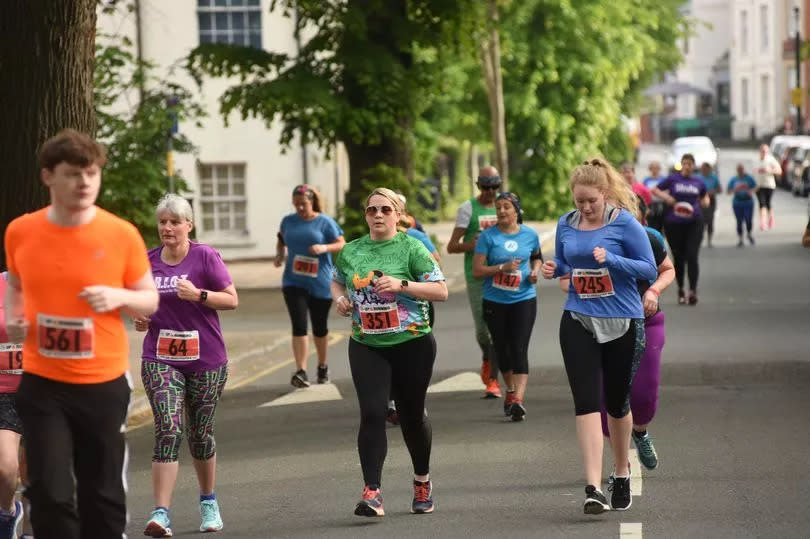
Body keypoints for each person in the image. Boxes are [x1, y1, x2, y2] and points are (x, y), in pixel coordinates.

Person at [3, 129, 159, 539]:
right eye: (73, 174)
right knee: (50, 493)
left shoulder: (121, 233)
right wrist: (16, 319)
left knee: (101, 496)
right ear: (48, 177)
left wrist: (117, 295)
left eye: (91, 173)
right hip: (43, 382)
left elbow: (149, 301)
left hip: (102, 383)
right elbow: (17, 286)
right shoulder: (21, 231)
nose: (85, 182)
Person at [541, 158, 656, 514]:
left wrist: (613, 261)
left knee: (618, 404)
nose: (585, 207)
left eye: (591, 200)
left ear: (604, 193)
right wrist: (553, 268)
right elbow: (565, 262)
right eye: (579, 201)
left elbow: (649, 269)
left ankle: (621, 470)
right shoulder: (566, 224)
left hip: (622, 320)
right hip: (578, 318)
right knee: (586, 402)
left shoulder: (625, 225)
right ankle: (592, 486)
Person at [332, 188, 447, 517]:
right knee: (372, 411)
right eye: (371, 210)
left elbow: (441, 290)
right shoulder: (351, 251)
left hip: (412, 344)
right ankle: (372, 492)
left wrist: (402, 285)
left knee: (411, 416)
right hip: (367, 343)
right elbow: (338, 280)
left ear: (398, 215)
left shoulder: (413, 247)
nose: (378, 215)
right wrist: (339, 298)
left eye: (385, 209)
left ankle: (421, 481)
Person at [136, 194, 239, 537]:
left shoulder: (205, 256)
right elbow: (140, 304)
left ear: (188, 226)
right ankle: (160, 512)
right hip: (160, 358)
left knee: (199, 433)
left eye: (174, 222)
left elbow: (232, 299)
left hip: (206, 360)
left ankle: (208, 500)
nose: (167, 228)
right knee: (167, 427)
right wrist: (138, 317)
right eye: (163, 222)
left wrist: (199, 295)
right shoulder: (148, 261)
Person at [472, 193, 541, 422]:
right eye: (498, 207)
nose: (501, 211)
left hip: (524, 299)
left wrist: (534, 271)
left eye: (506, 207)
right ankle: (510, 390)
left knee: (519, 347)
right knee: (502, 350)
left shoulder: (530, 234)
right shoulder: (487, 237)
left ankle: (518, 400)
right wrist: (502, 267)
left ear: (516, 211)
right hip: (495, 301)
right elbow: (477, 271)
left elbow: (537, 257)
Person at [274, 185, 345, 387]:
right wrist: (280, 255)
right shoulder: (288, 221)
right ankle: (301, 371)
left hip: (320, 282)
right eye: (296, 205)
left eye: (303, 204)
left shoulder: (325, 222)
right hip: (293, 281)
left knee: (320, 328)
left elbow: (341, 243)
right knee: (299, 325)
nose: (300, 209)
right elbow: (281, 239)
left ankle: (322, 367)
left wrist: (324, 247)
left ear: (311, 201)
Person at [447, 166, 502, 398]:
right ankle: (487, 358)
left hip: (502, 275)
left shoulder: (506, 205)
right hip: (477, 276)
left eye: (495, 187)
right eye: (486, 187)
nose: (491, 192)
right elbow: (452, 246)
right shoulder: (468, 209)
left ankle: (493, 380)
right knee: (483, 332)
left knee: (498, 331)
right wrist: (477, 245)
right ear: (479, 186)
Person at [387, 210, 441, 425]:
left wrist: (411, 267)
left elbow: (435, 261)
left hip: (415, 310)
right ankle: (392, 403)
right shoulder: (368, 245)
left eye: (389, 209)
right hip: (385, 313)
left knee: (412, 361)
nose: (382, 215)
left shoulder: (415, 237)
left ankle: (416, 401)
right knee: (389, 356)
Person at [651, 153, 710, 306]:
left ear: (693, 166)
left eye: (690, 164)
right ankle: (681, 290)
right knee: (678, 257)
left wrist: (705, 202)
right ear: (681, 165)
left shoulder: (698, 182)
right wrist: (667, 198)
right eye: (685, 163)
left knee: (692, 255)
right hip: (674, 223)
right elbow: (655, 190)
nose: (687, 166)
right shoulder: (673, 179)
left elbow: (705, 197)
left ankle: (693, 291)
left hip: (694, 222)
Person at [0, 271, 25, 539]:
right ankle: (7, 512)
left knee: (36, 475)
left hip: (43, 392)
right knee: (6, 468)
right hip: (3, 393)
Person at [726, 164, 758, 248]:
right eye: (739, 170)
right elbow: (728, 191)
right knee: (739, 221)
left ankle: (749, 233)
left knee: (748, 219)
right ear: (737, 171)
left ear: (744, 170)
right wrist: (734, 190)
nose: (740, 171)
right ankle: (740, 239)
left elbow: (756, 187)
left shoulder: (749, 178)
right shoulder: (733, 179)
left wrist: (751, 191)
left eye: (741, 170)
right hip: (737, 203)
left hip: (748, 202)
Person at [755, 144, 781, 230]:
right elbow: (753, 171)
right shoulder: (756, 160)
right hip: (759, 185)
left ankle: (771, 219)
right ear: (760, 151)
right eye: (762, 151)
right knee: (762, 204)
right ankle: (763, 222)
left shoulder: (771, 159)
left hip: (769, 185)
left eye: (766, 151)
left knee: (768, 203)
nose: (764, 152)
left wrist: (770, 170)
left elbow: (779, 171)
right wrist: (758, 171)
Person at [697, 163, 722, 248]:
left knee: (710, 220)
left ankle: (709, 240)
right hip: (700, 200)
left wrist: (712, 192)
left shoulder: (713, 177)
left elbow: (719, 189)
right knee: (700, 220)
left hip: (711, 200)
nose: (704, 170)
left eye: (706, 169)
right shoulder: (698, 177)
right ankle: (699, 239)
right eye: (703, 169)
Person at [642, 161, 667, 232]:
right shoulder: (646, 180)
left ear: (659, 169)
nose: (655, 170)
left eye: (656, 168)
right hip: (650, 204)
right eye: (653, 168)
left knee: (660, 224)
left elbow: (667, 191)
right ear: (650, 169)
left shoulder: (663, 180)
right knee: (650, 223)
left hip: (661, 204)